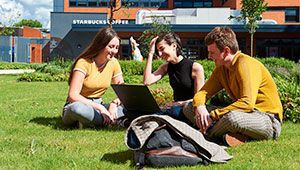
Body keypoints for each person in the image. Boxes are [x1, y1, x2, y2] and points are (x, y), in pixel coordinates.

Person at [183, 26, 282, 146]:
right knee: (189, 107)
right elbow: (202, 93)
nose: (209, 56)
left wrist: (213, 116)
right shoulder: (221, 69)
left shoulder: (246, 64)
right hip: (244, 114)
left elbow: (247, 103)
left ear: (226, 51)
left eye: (212, 52)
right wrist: (200, 107)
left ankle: (200, 135)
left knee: (232, 118)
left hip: (267, 120)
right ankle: (230, 136)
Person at [62, 27, 125, 128]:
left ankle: (94, 121)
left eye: (117, 47)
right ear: (101, 45)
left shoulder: (113, 63)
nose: (114, 51)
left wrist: (114, 104)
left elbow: (123, 91)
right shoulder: (84, 63)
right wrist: (101, 108)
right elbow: (73, 96)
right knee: (77, 109)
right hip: (79, 104)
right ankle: (113, 121)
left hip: (98, 106)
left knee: (127, 108)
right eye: (111, 46)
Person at [143, 33, 205, 124]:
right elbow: (147, 81)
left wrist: (177, 104)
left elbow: (199, 99)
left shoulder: (195, 68)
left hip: (188, 110)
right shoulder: (166, 67)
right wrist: (150, 53)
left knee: (170, 113)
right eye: (158, 52)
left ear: (174, 46)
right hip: (173, 108)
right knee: (142, 109)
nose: (160, 54)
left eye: (162, 49)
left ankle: (152, 119)